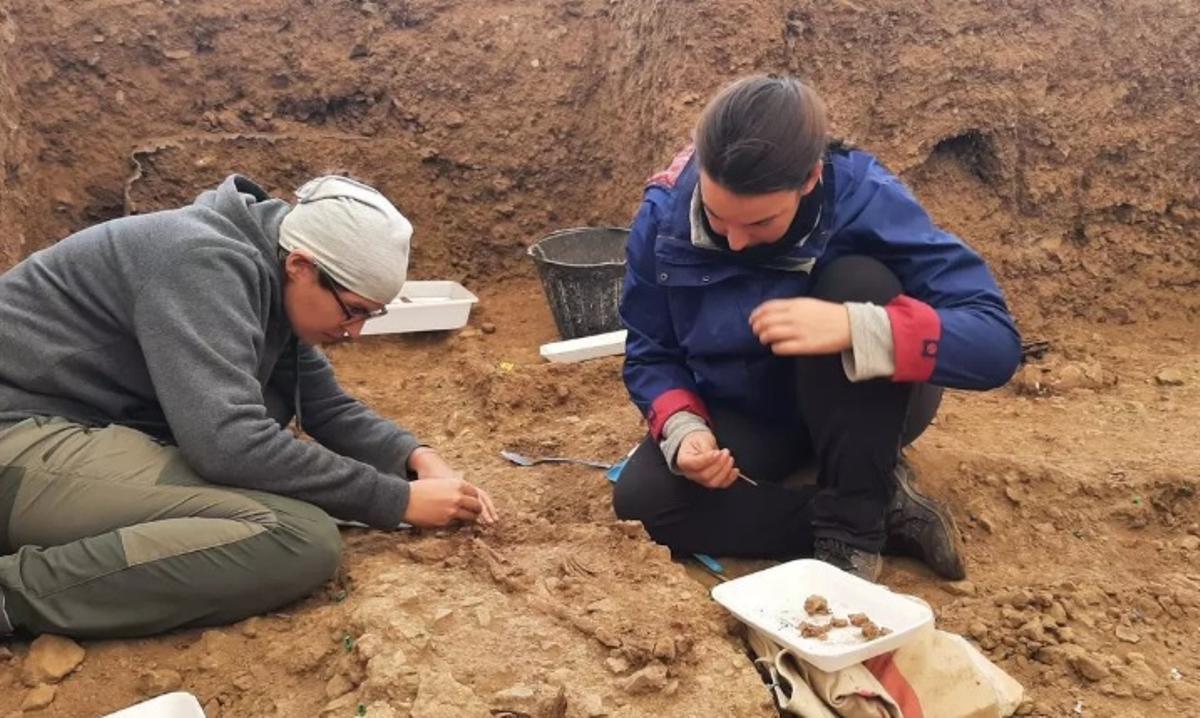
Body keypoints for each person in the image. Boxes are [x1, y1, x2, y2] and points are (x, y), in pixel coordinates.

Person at [0, 174, 497, 639]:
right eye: (354, 310)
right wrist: (398, 502)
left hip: (65, 428)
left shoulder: (267, 270)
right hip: (18, 436)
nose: (356, 331)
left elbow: (325, 406)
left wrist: (416, 456)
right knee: (294, 536)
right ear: (302, 266)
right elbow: (227, 443)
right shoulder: (200, 263)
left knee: (283, 468)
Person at [612, 75, 1021, 581]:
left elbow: (995, 343)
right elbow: (651, 350)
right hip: (755, 411)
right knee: (644, 501)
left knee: (859, 280)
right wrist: (684, 431)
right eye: (719, 219)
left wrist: (858, 326)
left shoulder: (864, 196)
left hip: (866, 403)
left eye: (760, 223)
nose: (737, 242)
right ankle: (877, 514)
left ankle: (852, 533)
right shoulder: (663, 215)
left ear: (810, 179)